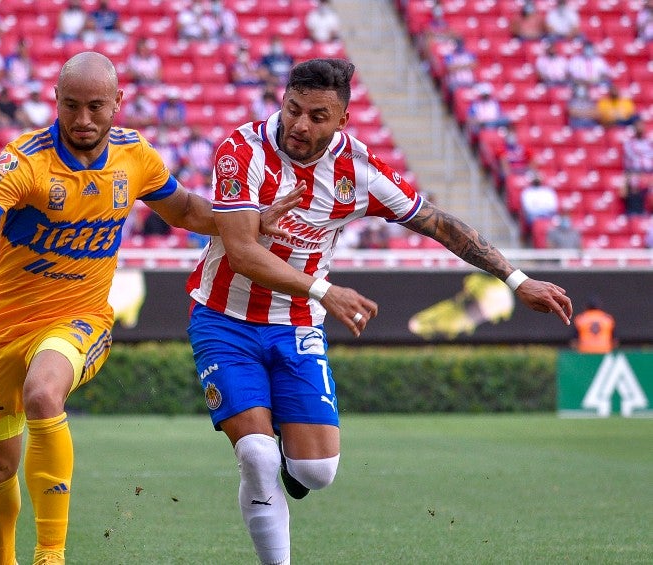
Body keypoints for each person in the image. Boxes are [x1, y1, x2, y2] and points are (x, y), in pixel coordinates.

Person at [184, 58, 573, 565]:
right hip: (224, 319)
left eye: (318, 116)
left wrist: (517, 279)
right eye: (293, 109)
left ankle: (288, 454)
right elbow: (240, 252)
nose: (300, 125)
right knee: (256, 456)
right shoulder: (242, 151)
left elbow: (437, 223)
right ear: (282, 100)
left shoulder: (359, 170)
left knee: (316, 472)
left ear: (342, 119)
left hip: (295, 324)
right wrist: (324, 290)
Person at [0, 51, 299, 565]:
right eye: (71, 105)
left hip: (79, 320)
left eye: (95, 106)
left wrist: (247, 220)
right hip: (0, 330)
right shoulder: (25, 162)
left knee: (43, 393)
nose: (82, 119)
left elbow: (186, 210)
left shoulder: (135, 155)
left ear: (118, 102)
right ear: (55, 101)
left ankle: (50, 555)